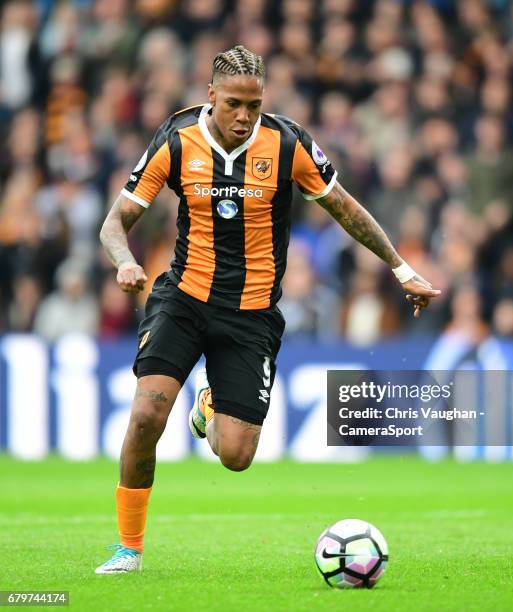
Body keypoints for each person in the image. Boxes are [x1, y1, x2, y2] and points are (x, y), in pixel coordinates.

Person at [95, 45, 441, 573]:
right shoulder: (177, 138)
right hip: (183, 298)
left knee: (235, 456)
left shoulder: (287, 143)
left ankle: (210, 403)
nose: (244, 116)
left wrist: (399, 267)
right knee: (146, 416)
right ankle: (129, 548)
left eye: (254, 105)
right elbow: (115, 222)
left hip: (251, 314)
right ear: (210, 95)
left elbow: (343, 207)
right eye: (233, 103)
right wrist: (124, 262)